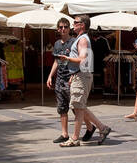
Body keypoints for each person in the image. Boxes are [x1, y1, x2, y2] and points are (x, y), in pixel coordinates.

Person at [61, 16, 111, 147]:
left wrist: (67, 59)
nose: (73, 24)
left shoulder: (83, 39)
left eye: (75, 22)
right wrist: (73, 74)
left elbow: (82, 58)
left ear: (82, 25)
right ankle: (102, 128)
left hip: (82, 76)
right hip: (79, 75)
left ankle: (75, 138)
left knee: (78, 108)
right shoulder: (81, 38)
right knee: (79, 107)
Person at [47, 18, 76, 143]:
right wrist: (50, 76)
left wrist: (73, 75)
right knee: (62, 107)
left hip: (70, 79)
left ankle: (90, 127)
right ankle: (64, 134)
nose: (63, 29)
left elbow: (79, 60)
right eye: (60, 27)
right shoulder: (57, 44)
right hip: (60, 78)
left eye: (65, 27)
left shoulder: (74, 42)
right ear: (58, 29)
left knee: (76, 107)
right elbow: (56, 61)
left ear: (69, 28)